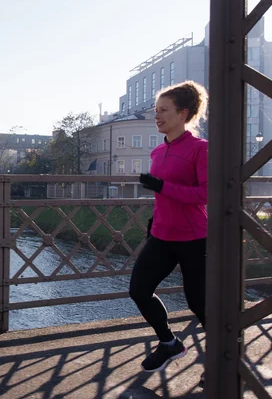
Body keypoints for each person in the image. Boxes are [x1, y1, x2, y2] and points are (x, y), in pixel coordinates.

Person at [130, 80, 208, 374]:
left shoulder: (201, 149)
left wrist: (162, 185)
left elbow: (204, 195)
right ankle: (169, 344)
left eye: (164, 110)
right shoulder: (156, 153)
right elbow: (165, 195)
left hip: (194, 237)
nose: (157, 116)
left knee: (199, 304)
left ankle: (223, 360)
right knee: (139, 290)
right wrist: (155, 218)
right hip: (162, 234)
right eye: (156, 110)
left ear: (183, 113)